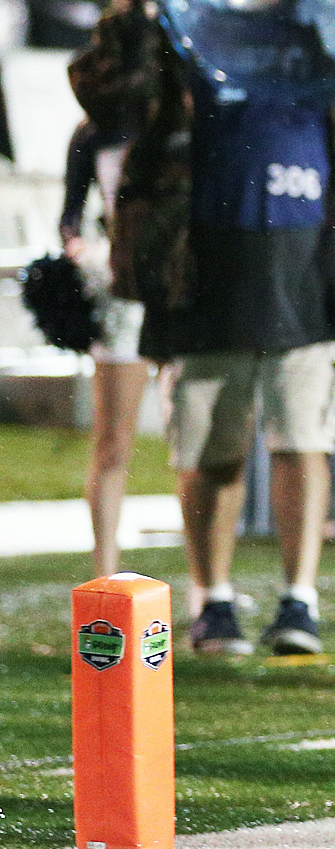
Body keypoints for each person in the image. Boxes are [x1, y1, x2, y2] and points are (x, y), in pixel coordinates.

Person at [70, 0, 335, 659]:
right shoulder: (180, 39)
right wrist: (128, 14)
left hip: (303, 268)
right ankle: (212, 597)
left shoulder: (322, 44)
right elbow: (104, 99)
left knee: (303, 441)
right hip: (203, 270)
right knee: (209, 449)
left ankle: (298, 595)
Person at [58, 116, 149, 578]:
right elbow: (70, 216)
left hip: (186, 292)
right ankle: (106, 573)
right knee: (113, 440)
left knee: (200, 445)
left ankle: (210, 590)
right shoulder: (96, 130)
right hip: (122, 293)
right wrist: (81, 253)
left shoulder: (187, 118)